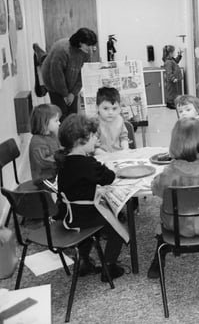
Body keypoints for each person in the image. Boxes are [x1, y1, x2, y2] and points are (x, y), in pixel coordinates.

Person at [149, 118, 199, 277]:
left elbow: (157, 190)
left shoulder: (171, 171)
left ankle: (158, 262)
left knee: (162, 220)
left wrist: (155, 181)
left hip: (179, 228)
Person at [55, 114, 126, 281]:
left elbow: (78, 186)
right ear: (81, 140)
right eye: (94, 136)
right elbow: (108, 177)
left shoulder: (64, 160)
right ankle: (109, 268)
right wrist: (103, 166)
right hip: (84, 215)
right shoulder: (87, 164)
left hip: (68, 214)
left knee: (89, 230)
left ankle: (85, 262)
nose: (96, 139)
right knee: (118, 230)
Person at [41, 27, 98, 120]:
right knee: (61, 112)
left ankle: (72, 132)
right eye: (89, 45)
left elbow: (82, 74)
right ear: (80, 43)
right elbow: (56, 76)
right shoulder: (62, 50)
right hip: (52, 79)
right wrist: (65, 94)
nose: (91, 48)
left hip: (71, 76)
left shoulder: (87, 52)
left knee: (73, 112)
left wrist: (73, 93)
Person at [29, 103, 62, 183]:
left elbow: (59, 149)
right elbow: (44, 162)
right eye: (56, 121)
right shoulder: (37, 142)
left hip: (54, 174)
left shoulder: (51, 135)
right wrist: (62, 158)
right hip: (44, 179)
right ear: (44, 123)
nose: (59, 123)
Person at [94, 87, 129, 154]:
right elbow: (92, 147)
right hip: (101, 156)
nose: (110, 112)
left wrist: (125, 150)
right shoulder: (95, 122)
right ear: (97, 108)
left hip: (118, 155)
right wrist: (108, 156)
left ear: (120, 107)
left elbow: (124, 138)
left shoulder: (119, 120)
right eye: (105, 108)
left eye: (114, 108)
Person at [162, 45, 183, 109]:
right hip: (171, 81)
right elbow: (169, 72)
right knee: (171, 92)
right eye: (174, 52)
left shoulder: (171, 60)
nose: (174, 53)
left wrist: (179, 55)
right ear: (170, 53)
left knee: (174, 92)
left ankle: (171, 103)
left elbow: (176, 61)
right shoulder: (168, 62)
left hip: (173, 80)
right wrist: (173, 78)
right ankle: (170, 104)